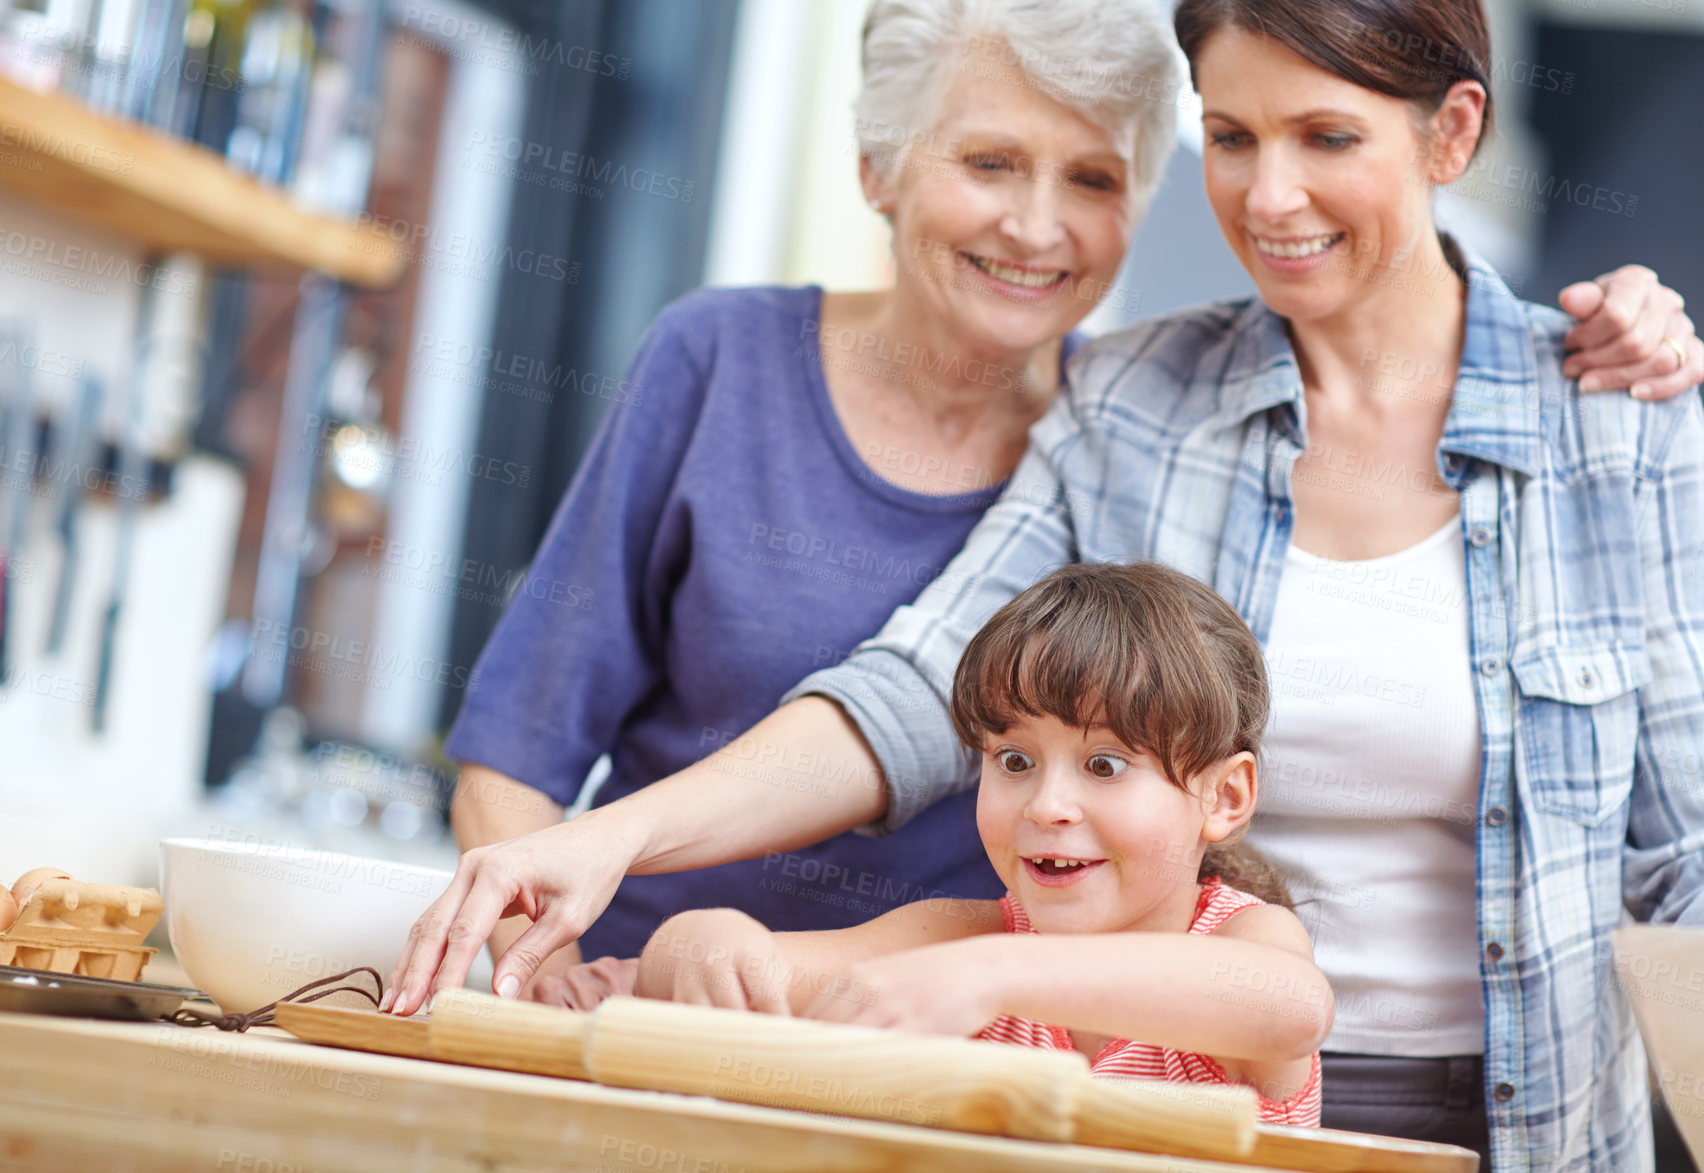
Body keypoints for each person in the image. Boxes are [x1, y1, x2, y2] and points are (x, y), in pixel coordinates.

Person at [432, 0, 1702, 1011]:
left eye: (1327, 137)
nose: (1268, 197)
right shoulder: (1143, 411)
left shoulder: (1619, 421)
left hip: (1496, 1115)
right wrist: (613, 847)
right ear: (879, 169)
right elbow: (921, 686)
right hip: (1108, 1073)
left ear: (1451, 134)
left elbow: (1683, 861)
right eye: (1235, 136)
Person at [634, 561, 1329, 1124]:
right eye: (1015, 761)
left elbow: (1290, 1009)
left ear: (1226, 796)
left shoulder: (1244, 939)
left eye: (1105, 765)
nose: (1048, 805)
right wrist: (704, 939)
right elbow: (707, 965)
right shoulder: (953, 940)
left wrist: (991, 974)